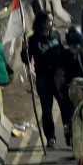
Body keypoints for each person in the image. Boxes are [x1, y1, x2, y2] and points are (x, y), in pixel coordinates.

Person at [24, 13, 65, 147]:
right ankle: (50, 137)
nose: (51, 23)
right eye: (49, 21)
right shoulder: (33, 40)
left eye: (52, 21)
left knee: (65, 106)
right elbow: (26, 59)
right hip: (43, 79)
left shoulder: (56, 35)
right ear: (41, 23)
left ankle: (69, 132)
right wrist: (25, 50)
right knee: (47, 110)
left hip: (58, 77)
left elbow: (63, 53)